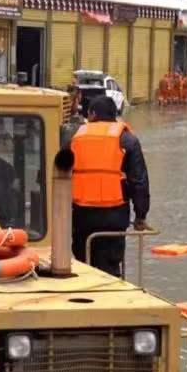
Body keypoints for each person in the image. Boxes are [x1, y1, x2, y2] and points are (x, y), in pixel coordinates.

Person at [69, 95, 152, 277]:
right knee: (109, 269)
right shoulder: (128, 139)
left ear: (92, 114)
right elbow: (139, 181)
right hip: (113, 218)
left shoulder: (75, 138)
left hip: (82, 218)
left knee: (83, 266)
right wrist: (140, 215)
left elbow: (57, 176)